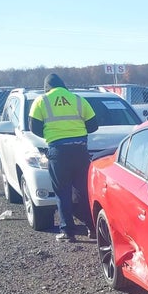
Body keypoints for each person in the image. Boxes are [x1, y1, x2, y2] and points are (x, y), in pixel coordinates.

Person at [29, 73, 98, 242]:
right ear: (63, 85)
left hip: (58, 152)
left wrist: (52, 134)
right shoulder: (78, 100)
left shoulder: (41, 101)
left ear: (47, 87)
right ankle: (93, 228)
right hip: (80, 151)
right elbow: (93, 125)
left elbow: (33, 127)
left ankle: (68, 231)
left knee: (62, 193)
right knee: (83, 191)